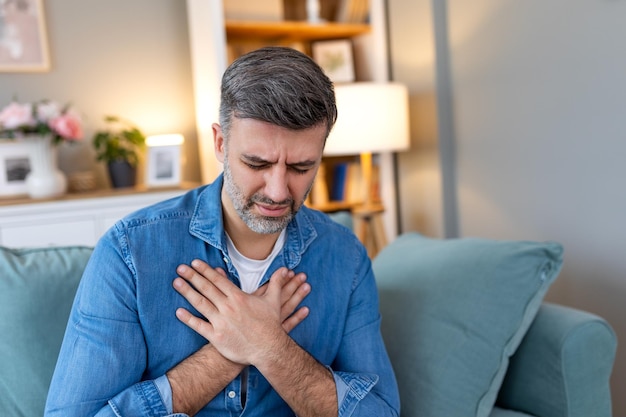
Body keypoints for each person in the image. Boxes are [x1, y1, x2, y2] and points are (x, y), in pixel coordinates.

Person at [45, 46, 400, 417]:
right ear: (220, 143)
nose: (278, 191)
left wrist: (272, 349)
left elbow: (380, 412)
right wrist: (226, 354)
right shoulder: (130, 251)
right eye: (256, 163)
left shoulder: (347, 258)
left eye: (300, 167)